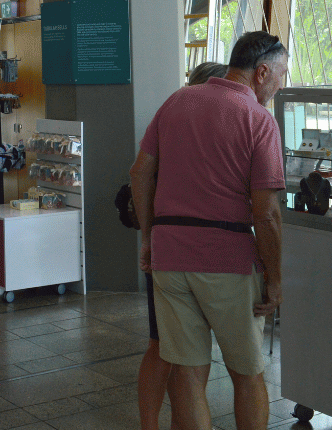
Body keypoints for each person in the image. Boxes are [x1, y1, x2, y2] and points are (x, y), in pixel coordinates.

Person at [129, 32, 288, 430]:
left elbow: (140, 172)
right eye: (281, 75)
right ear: (262, 71)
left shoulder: (178, 100)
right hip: (227, 260)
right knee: (248, 373)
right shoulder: (258, 120)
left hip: (170, 255)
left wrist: (149, 236)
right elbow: (266, 214)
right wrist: (275, 277)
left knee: (185, 371)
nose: (282, 85)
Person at [137, 61, 229, 430]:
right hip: (181, 250)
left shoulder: (171, 116)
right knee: (170, 349)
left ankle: (173, 423)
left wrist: (148, 236)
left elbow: (141, 172)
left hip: (168, 246)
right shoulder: (187, 121)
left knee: (174, 349)